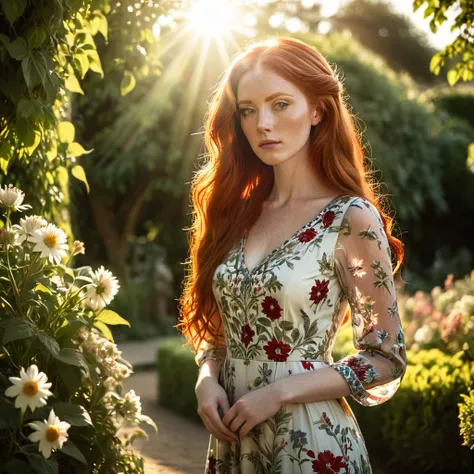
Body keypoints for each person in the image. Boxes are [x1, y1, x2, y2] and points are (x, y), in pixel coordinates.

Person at [177, 36, 407, 474]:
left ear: (318, 110)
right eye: (248, 110)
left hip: (311, 445)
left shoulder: (350, 217)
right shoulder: (236, 212)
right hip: (235, 446)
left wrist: (278, 392)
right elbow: (221, 330)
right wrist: (207, 378)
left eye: (280, 104)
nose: (263, 123)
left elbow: (386, 357)